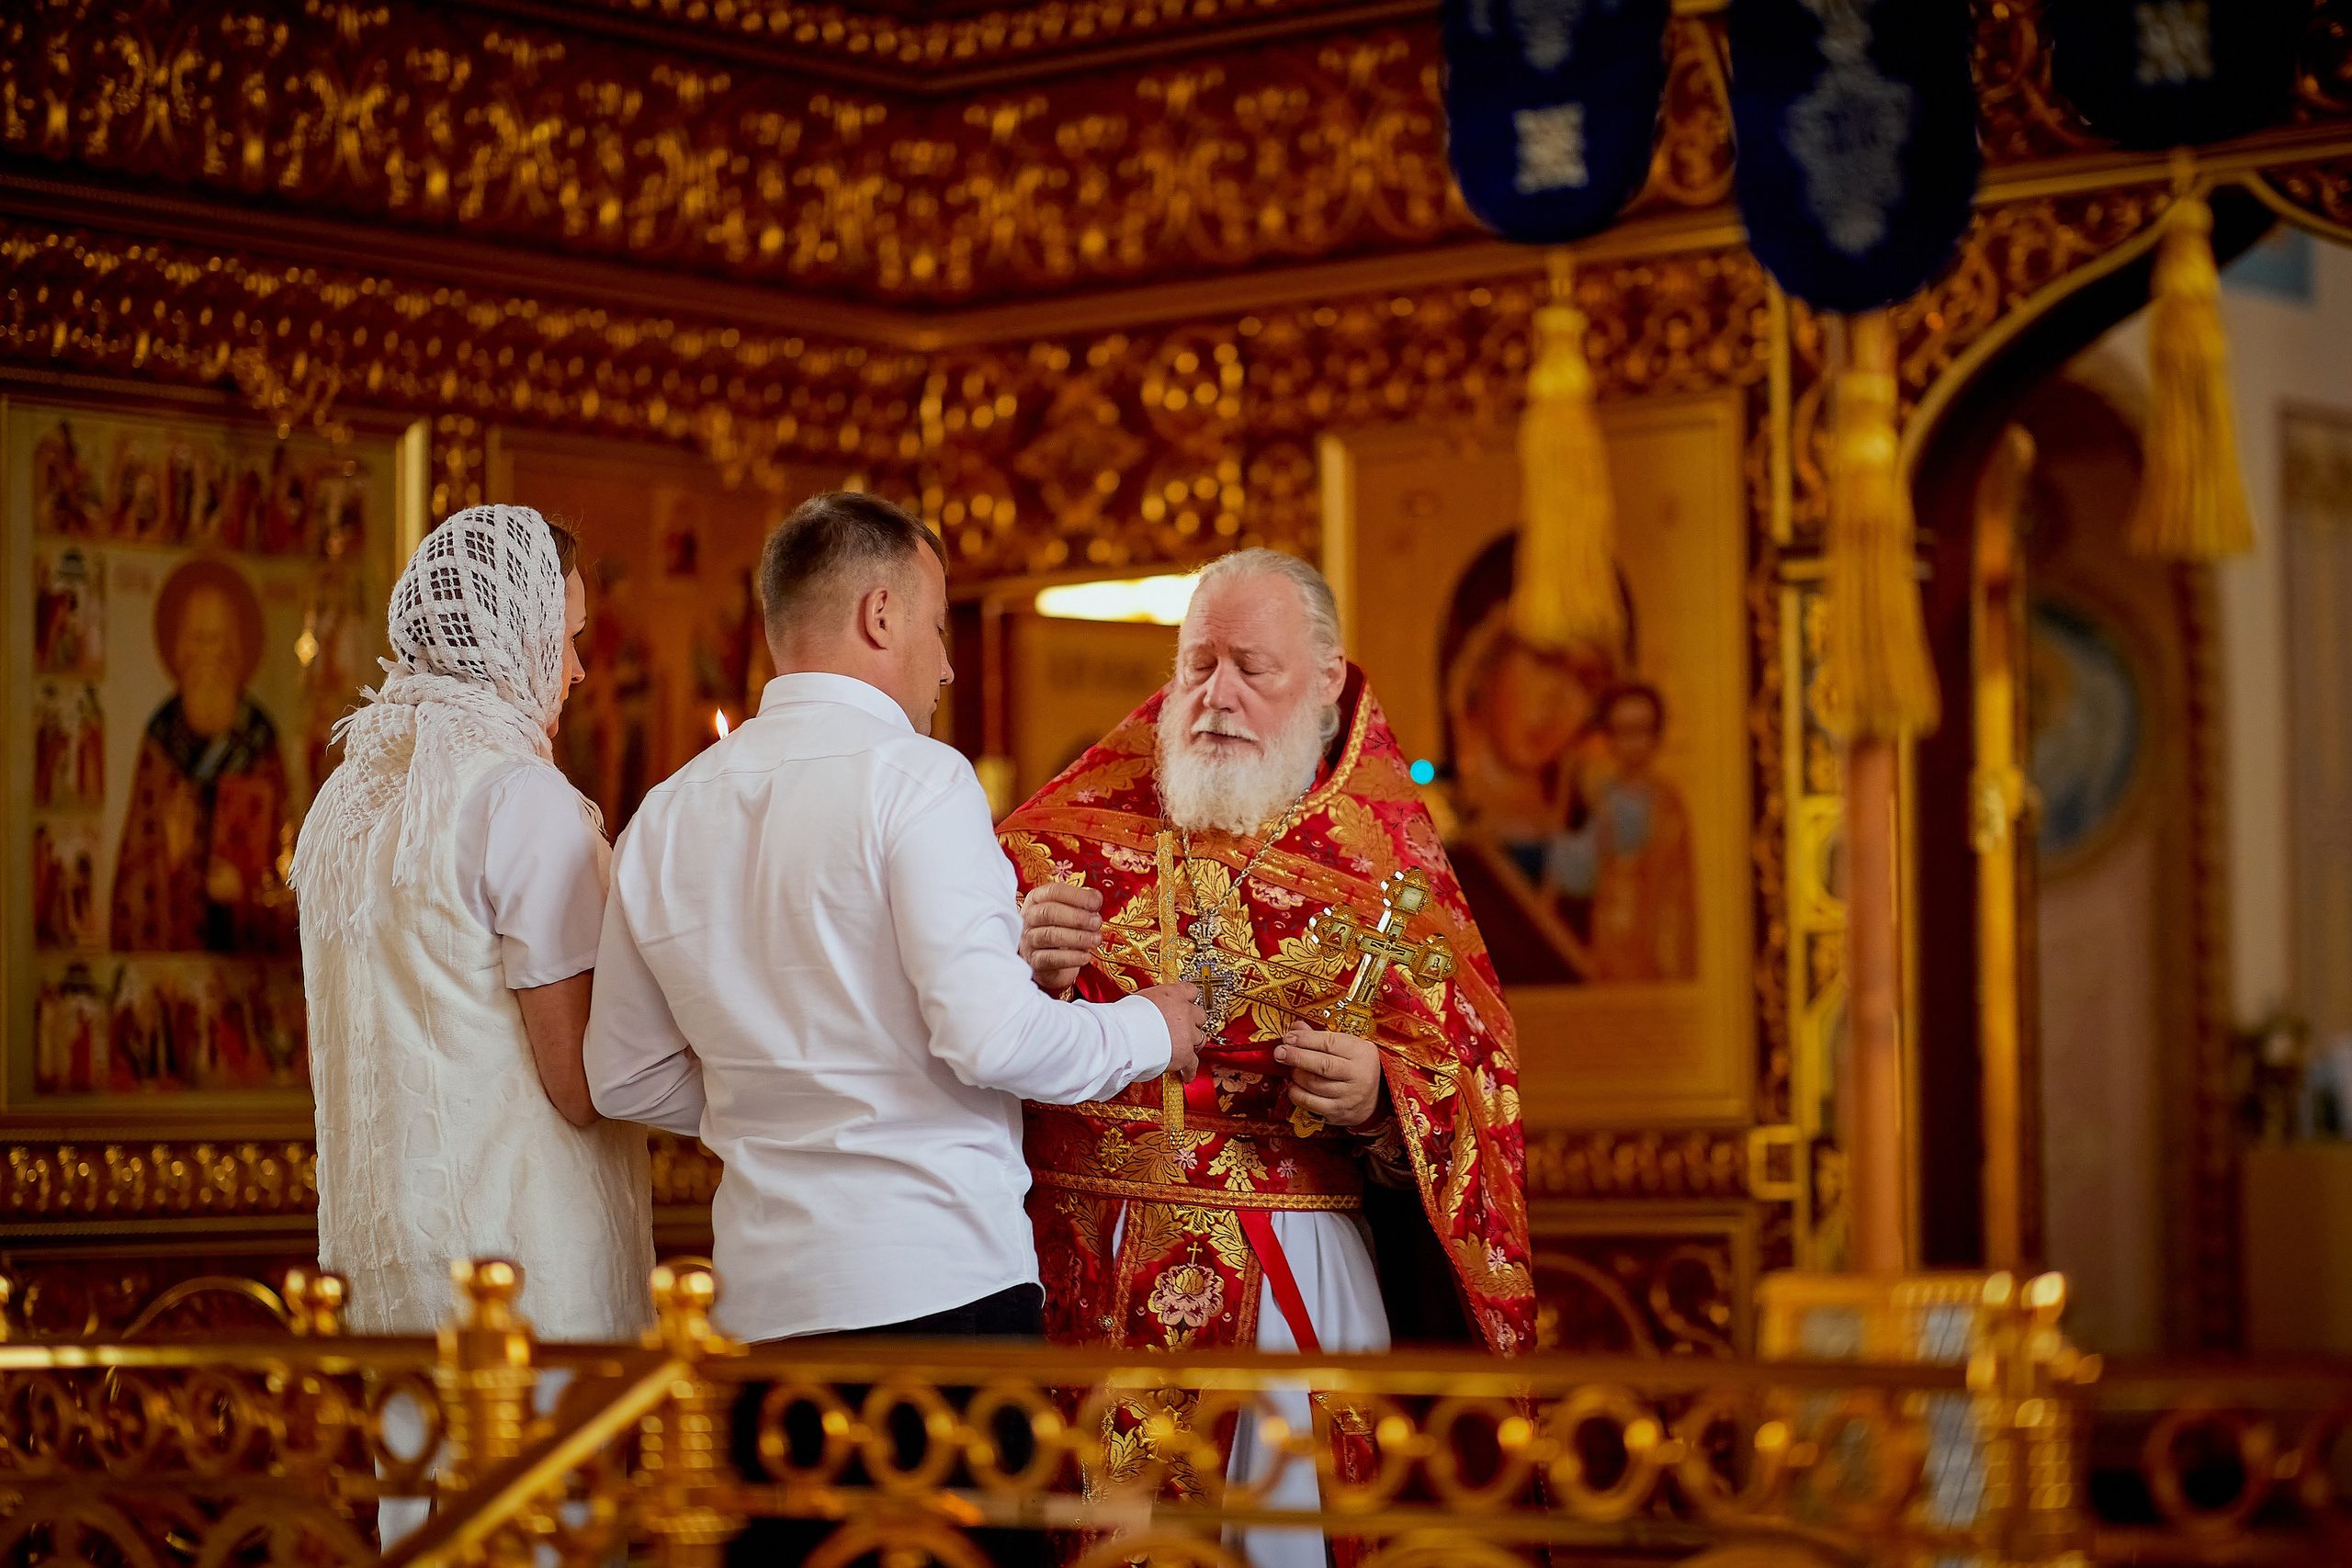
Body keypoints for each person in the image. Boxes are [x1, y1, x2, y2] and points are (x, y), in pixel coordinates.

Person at [582, 491, 1204, 1559]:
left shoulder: (669, 810)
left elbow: (622, 1075)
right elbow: (990, 1039)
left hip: (761, 1319)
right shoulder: (917, 779)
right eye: (940, 626)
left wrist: (773, 1087)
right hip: (939, 1296)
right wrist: (1150, 1027)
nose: (948, 665)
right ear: (880, 614)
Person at [1004, 548, 1535, 1567]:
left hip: (1298, 1269)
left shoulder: (1386, 866)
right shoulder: (1062, 838)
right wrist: (1022, 959)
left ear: (1328, 679)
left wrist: (1383, 1096)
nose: (1216, 697)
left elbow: (1478, 1078)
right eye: (1199, 665)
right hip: (1085, 1272)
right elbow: (958, 1017)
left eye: (1254, 667)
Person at [291, 504, 652, 1346]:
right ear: (511, 634)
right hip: (522, 1278)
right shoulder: (518, 796)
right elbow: (579, 1082)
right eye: (564, 638)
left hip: (387, 1279)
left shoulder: (344, 797)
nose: (575, 670)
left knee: (421, 1478)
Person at [111, 560, 295, 954]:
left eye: (218, 639)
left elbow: (291, 869)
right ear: (178, 650)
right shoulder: (161, 740)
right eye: (197, 638)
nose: (208, 656)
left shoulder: (259, 740)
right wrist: (172, 861)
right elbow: (134, 877)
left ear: (237, 649)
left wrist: (244, 890)